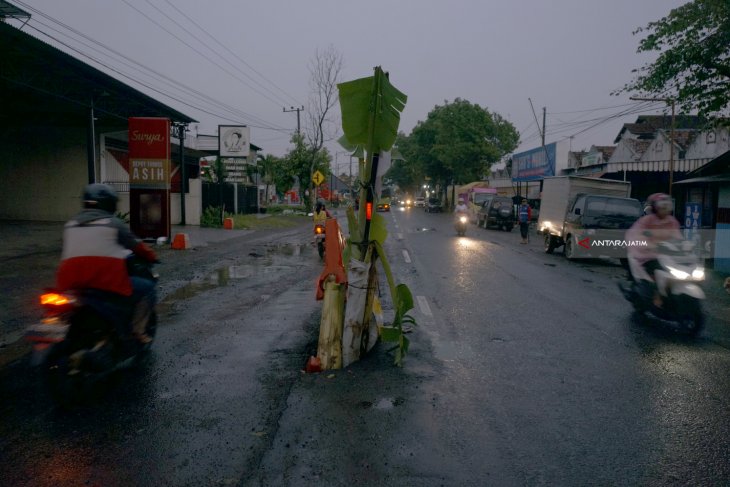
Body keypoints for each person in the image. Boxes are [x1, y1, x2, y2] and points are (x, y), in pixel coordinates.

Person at [56, 184, 158, 343]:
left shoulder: (70, 224)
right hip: (103, 282)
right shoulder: (113, 223)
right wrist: (151, 256)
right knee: (147, 289)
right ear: (110, 204)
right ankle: (138, 332)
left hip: (70, 284)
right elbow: (138, 247)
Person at [625, 193, 682, 307]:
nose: (664, 209)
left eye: (666, 206)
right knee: (657, 272)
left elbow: (678, 237)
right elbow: (634, 235)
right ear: (655, 208)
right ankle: (656, 295)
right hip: (647, 255)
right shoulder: (647, 221)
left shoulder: (672, 221)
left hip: (667, 255)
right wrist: (647, 244)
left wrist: (684, 245)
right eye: (661, 207)